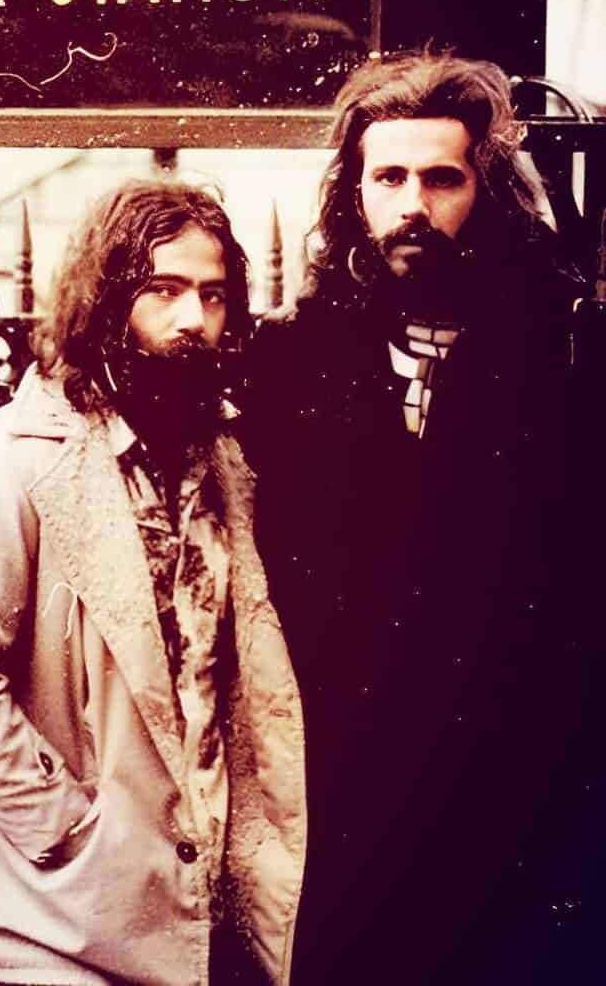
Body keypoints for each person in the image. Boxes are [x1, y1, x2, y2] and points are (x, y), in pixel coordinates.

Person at [0, 182, 308, 986]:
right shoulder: (5, 456)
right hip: (39, 931)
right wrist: (70, 830)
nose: (192, 318)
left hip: (181, 917)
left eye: (212, 295)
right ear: (103, 298)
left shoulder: (220, 463)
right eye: (161, 290)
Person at [242, 52, 594, 982]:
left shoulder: (561, 355)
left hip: (505, 776)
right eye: (387, 177)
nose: (412, 203)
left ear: (484, 188)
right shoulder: (294, 356)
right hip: (342, 775)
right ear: (353, 193)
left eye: (441, 178)